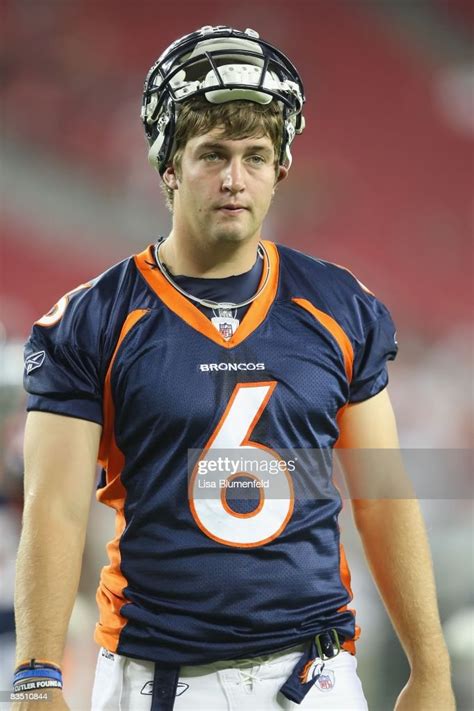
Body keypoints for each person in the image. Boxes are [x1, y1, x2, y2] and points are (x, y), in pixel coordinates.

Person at [14, 25, 454, 711]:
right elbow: (56, 508)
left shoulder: (338, 304)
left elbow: (382, 494)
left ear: (281, 168)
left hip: (314, 679)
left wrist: (431, 667)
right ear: (168, 166)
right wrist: (37, 673)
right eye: (211, 154)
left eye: (255, 155)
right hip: (160, 677)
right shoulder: (93, 319)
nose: (233, 178)